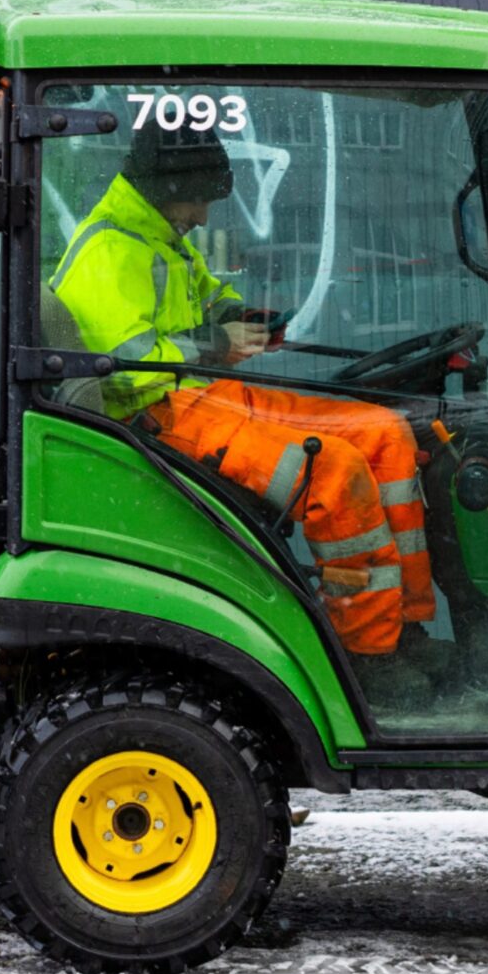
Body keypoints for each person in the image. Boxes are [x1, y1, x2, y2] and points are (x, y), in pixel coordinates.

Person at [50, 125, 436, 654]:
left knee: (386, 434)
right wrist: (215, 344)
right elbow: (125, 367)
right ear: (167, 190)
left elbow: (210, 296)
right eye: (199, 200)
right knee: (335, 472)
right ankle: (368, 651)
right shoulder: (110, 253)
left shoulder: (159, 238)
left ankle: (407, 621)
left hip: (205, 396)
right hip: (159, 418)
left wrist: (241, 318)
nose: (204, 216)